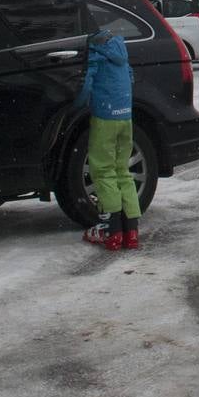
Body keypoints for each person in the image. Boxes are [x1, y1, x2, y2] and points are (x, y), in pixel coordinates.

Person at [75, 21, 138, 250]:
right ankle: (131, 230)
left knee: (102, 170)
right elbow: (130, 76)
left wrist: (78, 104)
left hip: (105, 116)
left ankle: (111, 230)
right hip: (125, 115)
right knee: (123, 170)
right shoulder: (120, 47)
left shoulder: (96, 49)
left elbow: (87, 82)